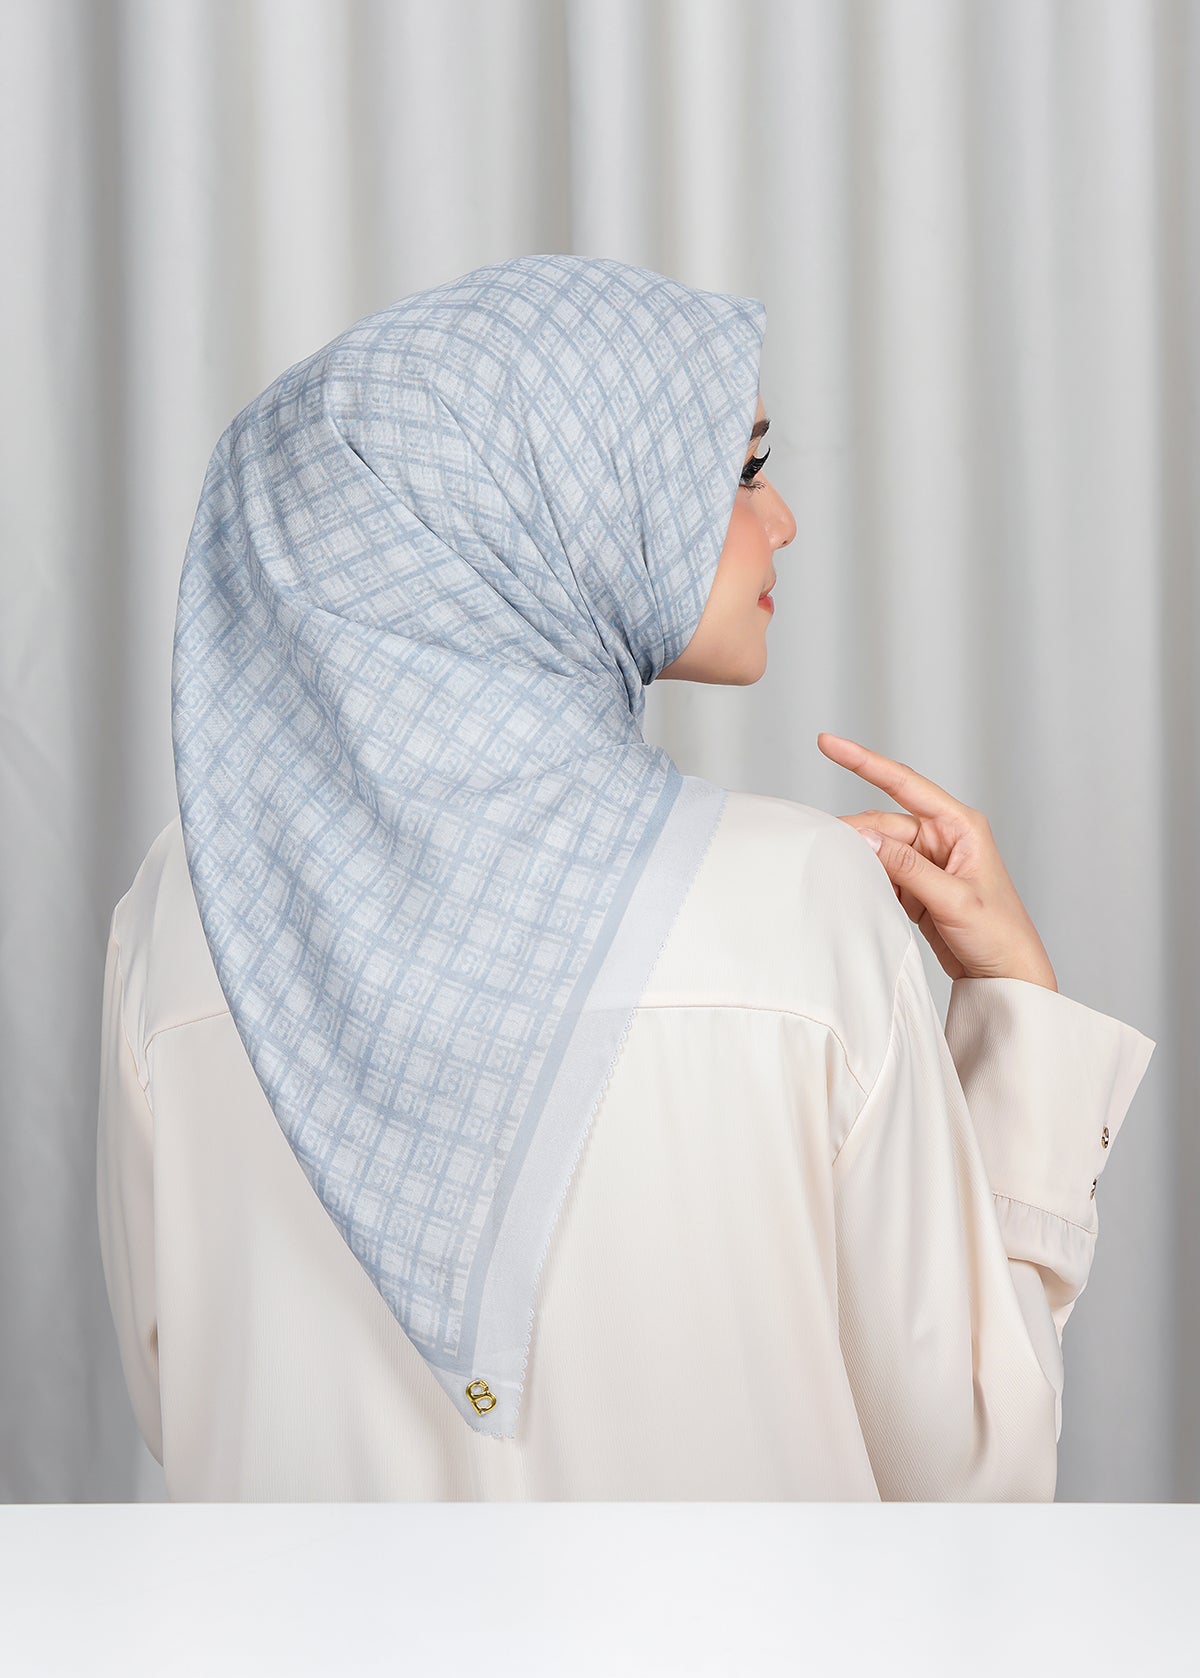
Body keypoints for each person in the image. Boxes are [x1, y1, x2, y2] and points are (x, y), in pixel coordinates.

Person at [96, 254, 1155, 1501]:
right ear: (549, 502)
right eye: (743, 470)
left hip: (302, 1640)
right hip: (751, 1645)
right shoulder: (802, 905)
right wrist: (1016, 1005)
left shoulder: (187, 912)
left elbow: (178, 1394)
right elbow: (975, 1467)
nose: (783, 520)